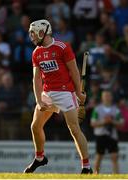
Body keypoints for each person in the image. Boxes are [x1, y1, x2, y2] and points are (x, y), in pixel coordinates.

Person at [24, 19, 93, 174]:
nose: (32, 37)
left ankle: (86, 167)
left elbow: (74, 72)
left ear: (43, 32)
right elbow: (36, 78)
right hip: (47, 93)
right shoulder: (36, 52)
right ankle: (40, 158)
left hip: (65, 93)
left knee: (74, 129)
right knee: (35, 126)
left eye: (33, 34)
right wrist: (38, 99)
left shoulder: (63, 47)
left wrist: (79, 92)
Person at [90, 90, 124, 174]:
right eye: (105, 96)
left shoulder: (116, 110)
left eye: (108, 96)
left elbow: (121, 123)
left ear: (111, 97)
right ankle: (95, 175)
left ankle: (116, 175)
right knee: (99, 156)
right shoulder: (97, 109)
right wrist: (104, 122)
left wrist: (112, 121)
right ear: (102, 97)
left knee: (114, 156)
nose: (107, 98)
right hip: (100, 135)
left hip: (112, 135)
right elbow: (93, 123)